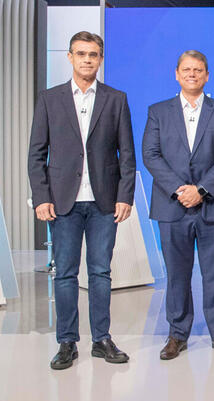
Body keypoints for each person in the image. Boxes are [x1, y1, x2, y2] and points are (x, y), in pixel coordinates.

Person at [28, 31, 136, 370]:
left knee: (101, 272)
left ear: (101, 59)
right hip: (63, 202)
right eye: (81, 54)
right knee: (65, 274)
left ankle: (101, 339)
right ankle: (66, 342)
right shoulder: (50, 98)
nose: (87, 59)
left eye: (93, 54)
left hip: (104, 201)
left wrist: (125, 196)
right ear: (70, 57)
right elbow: (36, 154)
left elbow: (127, 155)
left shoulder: (116, 98)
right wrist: (41, 196)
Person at [142, 50, 214, 360]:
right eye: (187, 69)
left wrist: (202, 189)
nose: (192, 74)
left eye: (198, 70)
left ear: (207, 75)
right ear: (176, 74)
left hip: (213, 205)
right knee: (177, 274)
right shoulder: (158, 111)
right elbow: (151, 155)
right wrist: (179, 190)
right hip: (172, 207)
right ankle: (177, 334)